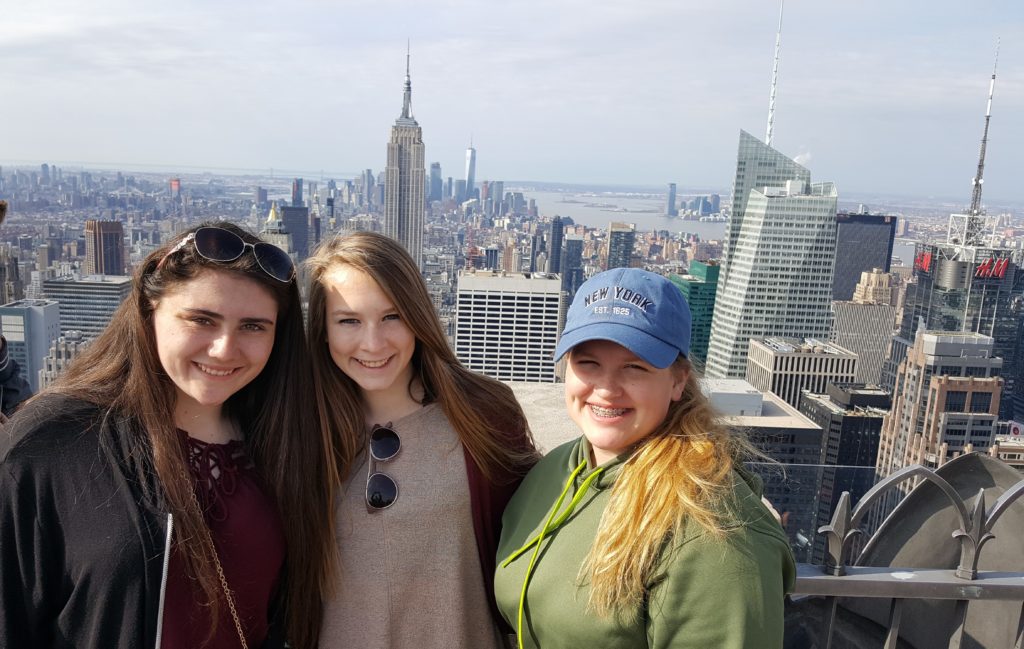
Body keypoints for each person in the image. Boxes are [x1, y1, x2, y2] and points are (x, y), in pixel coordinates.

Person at [0, 223, 336, 648]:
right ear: (149, 308)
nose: (224, 349)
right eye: (201, 319)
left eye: (253, 326)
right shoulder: (55, 440)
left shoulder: (282, 442)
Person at [495, 268, 795, 649]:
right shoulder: (556, 470)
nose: (605, 389)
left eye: (634, 367)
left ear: (678, 380)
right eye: (588, 363)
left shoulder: (713, 532)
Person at [305, 231, 538, 648]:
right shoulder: (302, 430)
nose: (373, 343)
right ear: (323, 330)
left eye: (392, 316)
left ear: (419, 317)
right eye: (349, 321)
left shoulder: (483, 415)